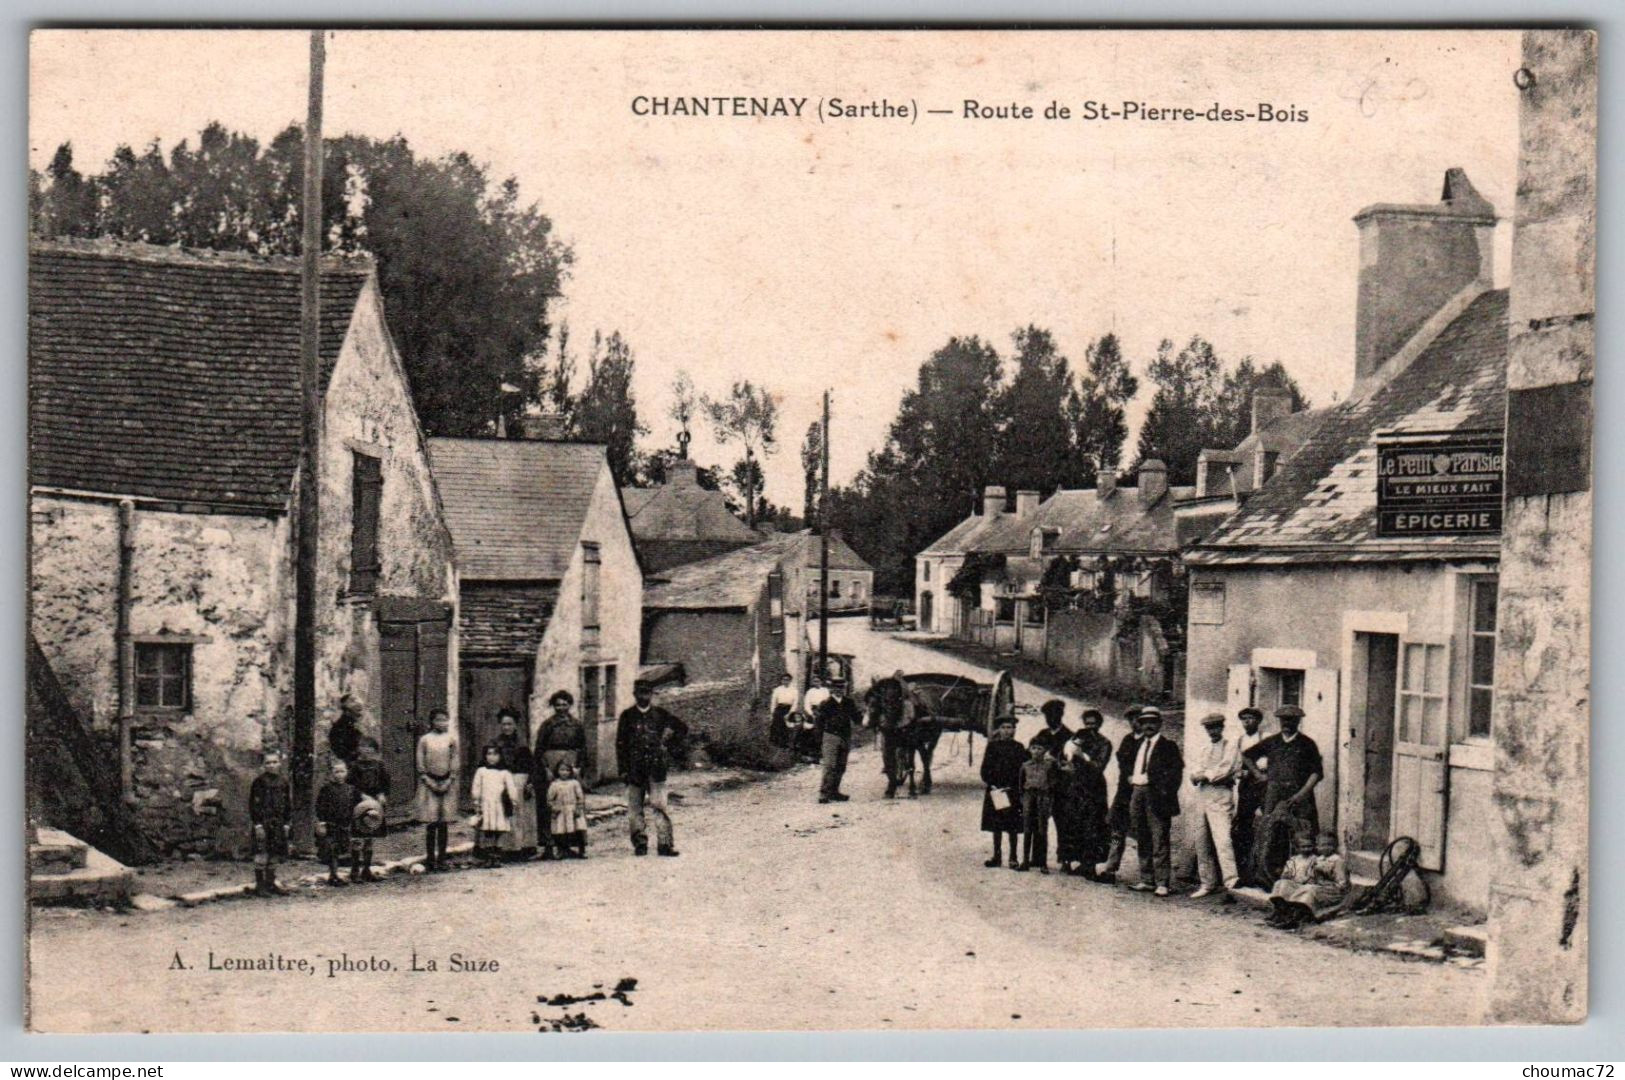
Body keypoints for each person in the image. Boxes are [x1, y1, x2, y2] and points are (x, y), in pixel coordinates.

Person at [616, 680, 688, 856]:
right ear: (634, 694)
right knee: (634, 809)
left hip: (656, 768)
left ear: (651, 694)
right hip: (634, 769)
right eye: (640, 693)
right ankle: (640, 844)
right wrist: (623, 769)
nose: (643, 696)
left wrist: (668, 745)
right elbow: (620, 744)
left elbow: (682, 728)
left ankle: (665, 844)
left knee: (660, 806)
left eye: (647, 693)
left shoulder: (660, 714)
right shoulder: (627, 716)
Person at [1125, 705, 1183, 896]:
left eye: (1152, 722)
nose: (1148, 726)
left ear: (1159, 724)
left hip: (1156, 796)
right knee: (1142, 836)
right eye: (1144, 722)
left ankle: (1162, 882)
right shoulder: (1138, 744)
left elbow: (1175, 774)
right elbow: (1127, 764)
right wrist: (1131, 779)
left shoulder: (1168, 746)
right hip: (1137, 793)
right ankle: (1146, 879)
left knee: (1159, 838)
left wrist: (1162, 791)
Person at [1189, 712, 1242, 898]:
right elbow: (1195, 769)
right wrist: (1197, 775)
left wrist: (1205, 775)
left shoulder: (1230, 746)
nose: (1213, 731)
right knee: (1201, 840)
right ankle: (1207, 882)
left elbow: (1226, 769)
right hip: (1203, 794)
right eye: (1209, 728)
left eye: (1216, 727)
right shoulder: (1203, 747)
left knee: (1223, 839)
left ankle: (1231, 879)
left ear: (1222, 727)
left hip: (1221, 795)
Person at [534, 690, 586, 859]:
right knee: (551, 806)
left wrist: (578, 767)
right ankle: (549, 846)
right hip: (551, 764)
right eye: (558, 705)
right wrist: (546, 769)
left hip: (570, 765)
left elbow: (583, 748)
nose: (561, 708)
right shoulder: (547, 724)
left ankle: (569, 846)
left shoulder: (577, 725)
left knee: (571, 806)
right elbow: (539, 749)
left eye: (565, 704)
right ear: (553, 706)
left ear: (570, 705)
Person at [1096, 705, 1144, 882]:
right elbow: (1122, 761)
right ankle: (1110, 869)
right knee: (1117, 832)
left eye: (1137, 719)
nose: (1134, 723)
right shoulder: (1127, 740)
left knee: (1142, 834)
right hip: (1124, 792)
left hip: (1140, 793)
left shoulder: (1148, 742)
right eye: (1131, 720)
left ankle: (1147, 874)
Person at [1056, 727, 1111, 878]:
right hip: (1076, 788)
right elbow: (1064, 762)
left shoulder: (1104, 743)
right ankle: (1074, 861)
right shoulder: (1073, 743)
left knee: (1092, 826)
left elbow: (1098, 767)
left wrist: (1082, 757)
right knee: (1074, 823)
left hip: (1092, 790)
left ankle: (1089, 864)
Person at [1268, 832, 1348, 929]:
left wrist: (1325, 882)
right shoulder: (1319, 859)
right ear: (1317, 847)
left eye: (1329, 845)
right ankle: (1282, 914)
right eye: (1322, 845)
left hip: (1332, 891)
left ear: (1335, 846)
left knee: (1309, 889)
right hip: (1317, 886)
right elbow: (1311, 875)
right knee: (1282, 883)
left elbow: (1342, 884)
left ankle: (1295, 919)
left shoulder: (1337, 861)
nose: (1325, 848)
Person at [414, 707, 459, 871]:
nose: (442, 723)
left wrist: (450, 779)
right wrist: (427, 779)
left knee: (443, 823)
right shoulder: (425, 740)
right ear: (432, 722)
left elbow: (454, 759)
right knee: (431, 822)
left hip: (446, 782)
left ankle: (442, 858)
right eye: (438, 719)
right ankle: (430, 858)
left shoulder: (451, 739)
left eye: (445, 719)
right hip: (430, 784)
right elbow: (420, 762)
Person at [979, 715, 1025, 869]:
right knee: (997, 825)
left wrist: (1017, 787)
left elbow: (1022, 770)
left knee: (1012, 825)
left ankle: (1013, 857)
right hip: (997, 790)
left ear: (1014, 730)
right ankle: (996, 856)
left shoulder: (1019, 747)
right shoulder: (992, 747)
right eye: (1004, 727)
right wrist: (992, 784)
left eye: (1010, 728)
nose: (1007, 731)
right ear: (999, 730)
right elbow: (985, 769)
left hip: (1013, 791)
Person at [493, 709, 538, 860]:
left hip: (520, 780)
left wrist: (530, 782)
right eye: (503, 724)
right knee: (505, 813)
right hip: (503, 780)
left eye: (510, 724)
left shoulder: (523, 744)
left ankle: (523, 847)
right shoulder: (495, 743)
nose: (506, 727)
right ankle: (505, 848)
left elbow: (531, 765)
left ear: (516, 725)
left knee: (521, 814)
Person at [1230, 706, 1267, 885]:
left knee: (1263, 822)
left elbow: (1266, 763)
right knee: (1243, 824)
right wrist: (1239, 772)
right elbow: (1236, 761)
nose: (1247, 722)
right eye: (1244, 719)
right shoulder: (1239, 740)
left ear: (1258, 721)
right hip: (1245, 786)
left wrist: (1254, 772)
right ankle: (1243, 871)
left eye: (1251, 718)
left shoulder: (1265, 738)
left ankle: (1261, 869)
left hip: (1261, 784)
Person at [248, 749, 292, 896]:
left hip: (278, 823)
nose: (272, 765)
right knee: (262, 853)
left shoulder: (283, 782)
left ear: (279, 764)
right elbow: (253, 805)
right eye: (268, 763)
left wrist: (286, 823)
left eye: (274, 762)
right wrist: (258, 824)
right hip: (264, 823)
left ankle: (271, 883)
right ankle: (260, 886)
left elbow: (287, 804)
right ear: (263, 765)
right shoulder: (259, 783)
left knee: (275, 854)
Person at [348, 736, 390, 882]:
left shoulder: (379, 766)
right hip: (359, 804)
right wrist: (361, 795)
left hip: (375, 804)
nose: (365, 751)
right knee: (358, 837)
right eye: (362, 747)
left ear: (374, 750)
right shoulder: (354, 766)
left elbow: (386, 783)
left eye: (369, 748)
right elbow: (350, 786)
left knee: (370, 838)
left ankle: (366, 870)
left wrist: (382, 794)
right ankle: (354, 871)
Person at [469, 744, 517, 868]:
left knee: (499, 830)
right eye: (489, 754)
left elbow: (511, 787)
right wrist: (477, 801)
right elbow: (476, 787)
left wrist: (513, 800)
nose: (492, 757)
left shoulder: (505, 772)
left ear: (500, 756)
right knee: (488, 831)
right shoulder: (481, 771)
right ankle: (489, 856)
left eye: (495, 754)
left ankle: (497, 856)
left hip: (500, 805)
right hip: (486, 805)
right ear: (485, 756)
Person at [816, 677, 862, 804]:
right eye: (837, 687)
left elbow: (857, 718)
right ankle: (824, 794)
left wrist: (867, 717)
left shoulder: (849, 702)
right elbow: (819, 724)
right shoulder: (825, 704)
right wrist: (819, 740)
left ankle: (834, 792)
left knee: (841, 766)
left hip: (845, 736)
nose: (839, 690)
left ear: (845, 688)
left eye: (842, 687)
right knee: (830, 765)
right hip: (830, 736)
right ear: (831, 689)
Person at [314, 758, 358, 887]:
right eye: (336, 772)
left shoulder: (350, 789)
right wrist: (322, 822)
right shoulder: (326, 789)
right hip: (331, 823)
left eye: (342, 771)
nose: (339, 774)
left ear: (347, 772)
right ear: (332, 774)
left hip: (345, 823)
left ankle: (352, 873)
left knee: (342, 848)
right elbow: (320, 806)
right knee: (331, 849)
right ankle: (333, 875)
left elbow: (354, 804)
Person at [1017, 740, 1059, 873]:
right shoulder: (1025, 765)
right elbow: (1021, 785)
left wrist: (1050, 804)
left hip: (1043, 797)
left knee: (1042, 831)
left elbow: (1053, 785)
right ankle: (1025, 861)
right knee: (1027, 829)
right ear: (1029, 750)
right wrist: (1023, 801)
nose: (1036, 751)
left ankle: (1043, 863)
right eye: (1033, 748)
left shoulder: (1048, 766)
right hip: (1029, 797)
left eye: (1039, 748)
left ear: (1045, 751)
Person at [548, 760, 589, 859]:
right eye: (562, 770)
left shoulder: (574, 783)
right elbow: (549, 799)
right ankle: (561, 851)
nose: (564, 772)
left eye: (567, 770)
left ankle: (581, 850)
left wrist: (579, 808)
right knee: (560, 831)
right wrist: (554, 808)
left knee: (579, 829)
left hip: (573, 809)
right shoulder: (554, 784)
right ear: (557, 771)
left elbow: (580, 797)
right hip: (560, 810)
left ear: (571, 772)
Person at [799, 674, 831, 763]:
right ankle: (812, 754)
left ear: (821, 682)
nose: (816, 683)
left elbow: (829, 702)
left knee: (826, 732)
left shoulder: (825, 691)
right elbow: (806, 704)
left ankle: (825, 754)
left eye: (818, 681)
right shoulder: (810, 692)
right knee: (811, 732)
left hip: (824, 712)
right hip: (813, 712)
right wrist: (811, 714)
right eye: (814, 681)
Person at [327, 692, 363, 769]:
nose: (359, 702)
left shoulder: (357, 723)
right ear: (345, 707)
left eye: (358, 699)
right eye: (353, 700)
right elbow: (340, 751)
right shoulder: (341, 726)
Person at [768, 673, 799, 749]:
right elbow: (773, 702)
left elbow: (795, 703)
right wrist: (773, 712)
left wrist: (790, 713)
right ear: (781, 681)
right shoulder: (777, 690)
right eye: (784, 680)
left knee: (787, 727)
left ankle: (786, 744)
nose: (785, 681)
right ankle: (776, 744)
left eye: (787, 680)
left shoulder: (794, 691)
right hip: (779, 709)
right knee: (777, 726)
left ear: (790, 681)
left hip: (789, 709)